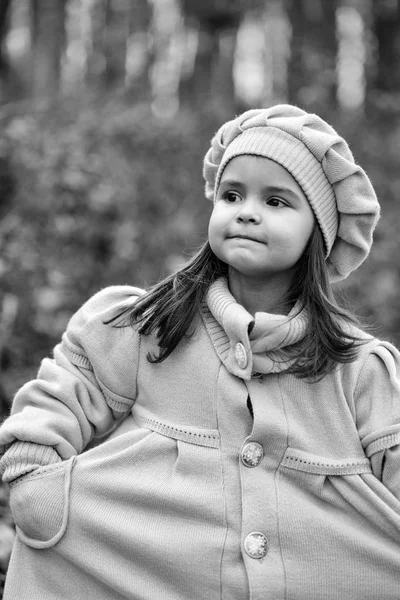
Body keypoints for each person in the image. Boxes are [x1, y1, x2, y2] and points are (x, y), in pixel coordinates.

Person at [0, 104, 399, 600]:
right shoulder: (152, 324)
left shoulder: (357, 367)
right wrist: (34, 473)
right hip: (151, 568)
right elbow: (68, 389)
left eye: (277, 201)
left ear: (318, 232)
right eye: (232, 194)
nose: (247, 211)